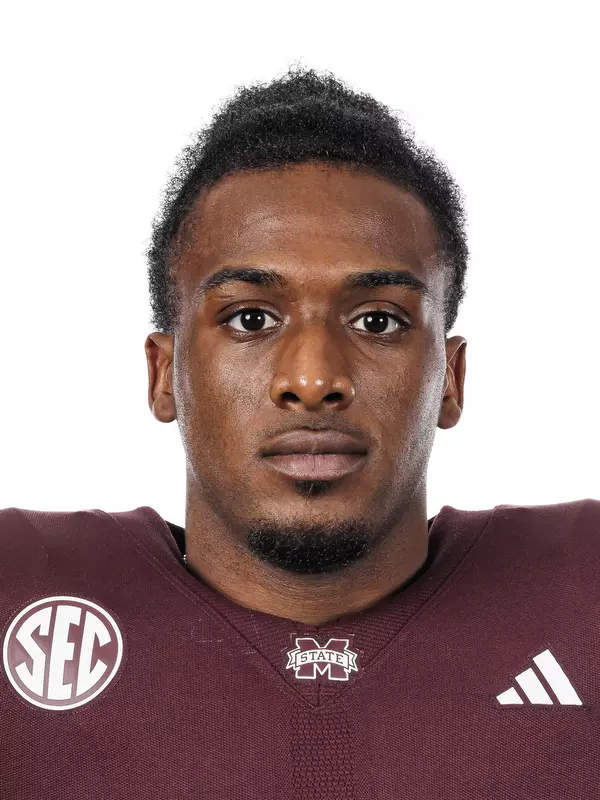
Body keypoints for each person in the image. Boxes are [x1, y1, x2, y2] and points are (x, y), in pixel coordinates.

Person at [1, 66, 598, 800]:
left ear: (450, 378)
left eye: (377, 320)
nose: (313, 379)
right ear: (163, 375)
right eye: (251, 318)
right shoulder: (19, 586)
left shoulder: (584, 591)